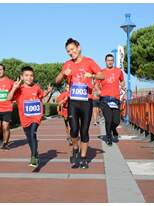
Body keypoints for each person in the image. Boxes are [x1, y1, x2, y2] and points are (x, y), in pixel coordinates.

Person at [55, 38, 104, 169]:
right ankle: (75, 148)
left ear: (79, 47)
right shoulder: (67, 64)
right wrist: (62, 73)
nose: (71, 52)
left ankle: (83, 158)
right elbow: (57, 81)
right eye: (68, 51)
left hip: (86, 101)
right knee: (74, 130)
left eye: (72, 49)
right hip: (73, 102)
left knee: (84, 131)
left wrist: (91, 76)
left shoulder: (89, 61)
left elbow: (102, 76)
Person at [7, 66, 53, 168]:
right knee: (29, 138)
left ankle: (33, 157)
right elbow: (9, 98)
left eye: (31, 75)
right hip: (24, 118)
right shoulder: (19, 89)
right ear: (22, 77)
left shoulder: (36, 87)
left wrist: (48, 91)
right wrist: (14, 87)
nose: (29, 78)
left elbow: (41, 95)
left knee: (33, 133)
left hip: (36, 116)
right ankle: (35, 152)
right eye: (27, 75)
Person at [99, 54, 126, 146]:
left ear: (113, 61)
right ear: (105, 61)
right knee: (108, 120)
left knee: (116, 121)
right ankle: (109, 138)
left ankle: (113, 129)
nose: (110, 62)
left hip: (115, 99)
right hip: (104, 99)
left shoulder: (118, 71)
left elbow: (122, 80)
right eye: (108, 60)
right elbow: (96, 84)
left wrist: (123, 86)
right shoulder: (101, 72)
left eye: (111, 60)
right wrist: (98, 90)